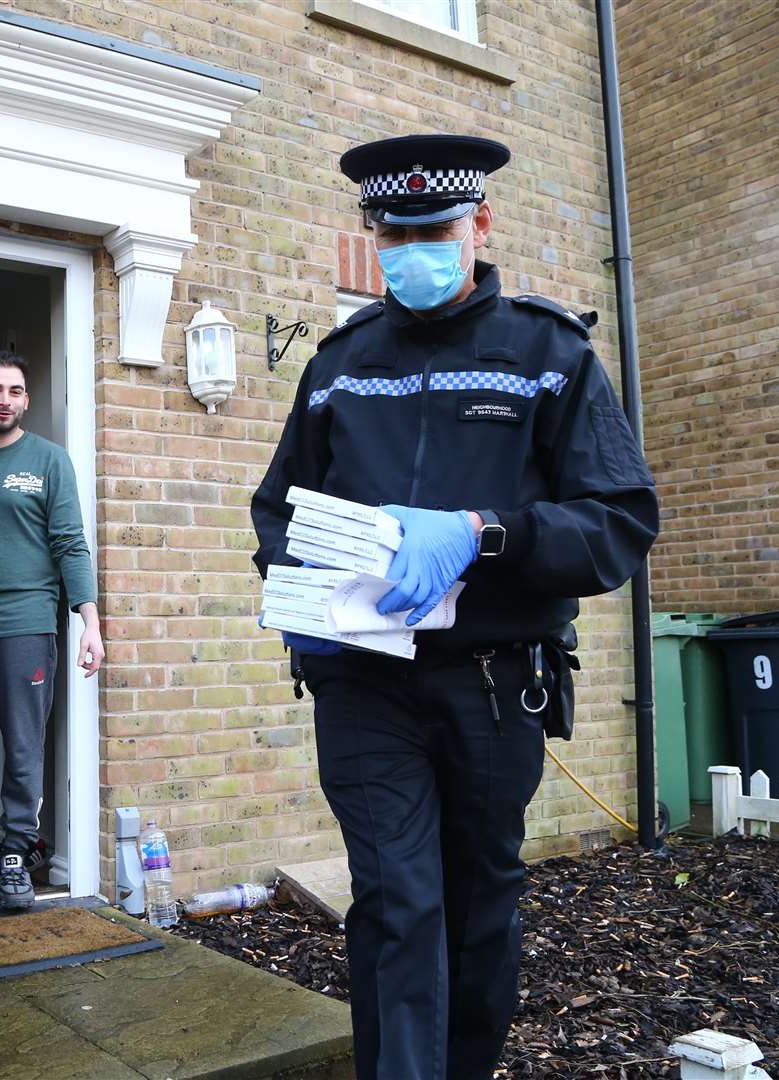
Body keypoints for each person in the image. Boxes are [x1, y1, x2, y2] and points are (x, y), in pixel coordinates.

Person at [250, 134, 660, 1080]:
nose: (412, 248)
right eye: (392, 232)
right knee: (395, 901)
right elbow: (279, 506)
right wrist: (299, 588)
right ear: (373, 235)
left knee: (478, 905)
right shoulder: (340, 364)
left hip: (492, 681)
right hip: (361, 683)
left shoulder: (549, 354)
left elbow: (619, 523)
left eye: (433, 228)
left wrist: (482, 533)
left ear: (480, 223)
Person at [0, 350, 103, 911]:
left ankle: (15, 851)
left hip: (27, 625)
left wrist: (90, 623)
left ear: (26, 400)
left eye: (14, 391)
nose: (4, 400)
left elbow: (70, 543)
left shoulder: (49, 460)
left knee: (21, 746)